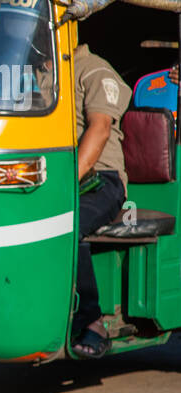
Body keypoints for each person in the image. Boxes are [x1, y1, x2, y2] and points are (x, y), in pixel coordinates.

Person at [69, 44, 131, 358]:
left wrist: (66, 184)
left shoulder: (93, 70)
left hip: (100, 179)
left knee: (66, 224)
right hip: (48, 176)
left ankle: (92, 321)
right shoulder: (34, 74)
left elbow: (101, 128)